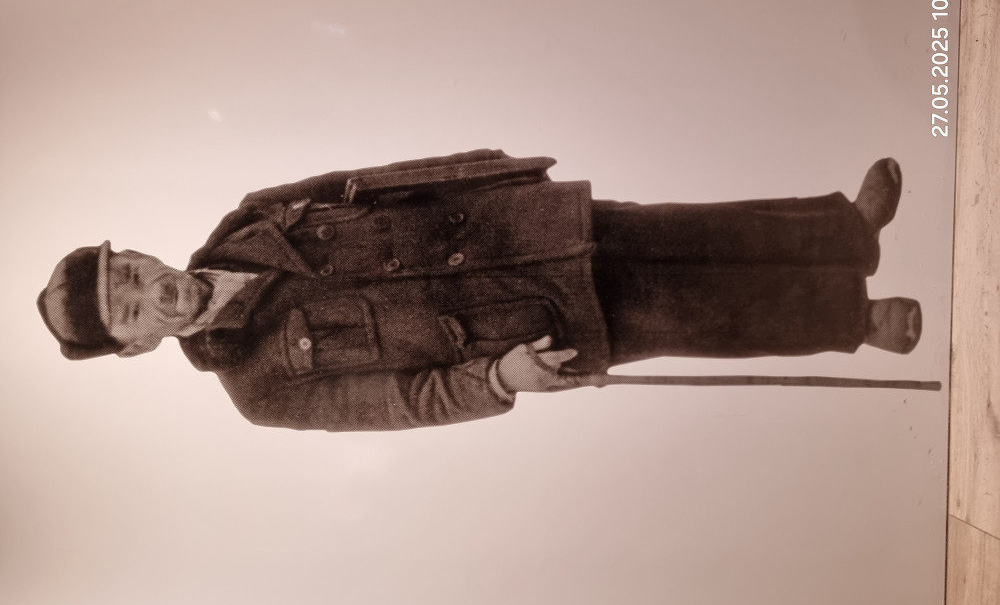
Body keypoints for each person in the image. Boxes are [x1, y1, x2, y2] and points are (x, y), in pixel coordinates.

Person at [38, 149, 921, 432]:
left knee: (687, 230)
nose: (150, 293)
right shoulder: (259, 389)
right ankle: (854, 318)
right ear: (135, 345)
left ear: (138, 253)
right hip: (521, 326)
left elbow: (376, 181)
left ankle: (845, 231)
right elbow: (398, 403)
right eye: (129, 310)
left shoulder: (248, 218)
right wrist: (499, 380)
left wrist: (491, 171)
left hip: (515, 231)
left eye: (129, 273)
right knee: (692, 315)